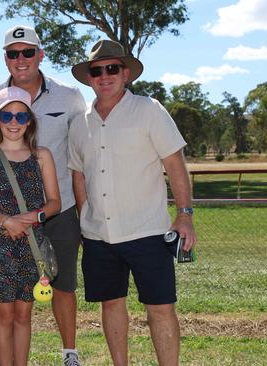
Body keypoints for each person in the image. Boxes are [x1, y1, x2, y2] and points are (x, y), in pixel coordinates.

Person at [67, 40, 198, 366]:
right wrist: (85, 219)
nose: (105, 76)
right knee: (111, 305)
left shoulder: (149, 110)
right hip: (99, 237)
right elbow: (78, 175)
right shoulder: (79, 122)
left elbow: (175, 163)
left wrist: (185, 215)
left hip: (148, 232)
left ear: (125, 73)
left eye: (112, 68)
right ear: (89, 78)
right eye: (97, 71)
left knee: (161, 308)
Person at [0, 25, 87, 366]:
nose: (20, 59)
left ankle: (69, 351)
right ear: (5, 58)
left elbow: (83, 151)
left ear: (40, 54)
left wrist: (81, 210)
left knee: (63, 284)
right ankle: (3, 354)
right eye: (13, 53)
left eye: (27, 52)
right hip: (4, 223)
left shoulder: (69, 96)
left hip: (59, 208)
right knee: (9, 304)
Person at [0, 86, 61, 366]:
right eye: (7, 116)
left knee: (24, 315)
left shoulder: (42, 156)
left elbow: (55, 202)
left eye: (21, 117)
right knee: (4, 315)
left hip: (32, 245)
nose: (14, 122)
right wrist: (6, 221)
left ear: (30, 121)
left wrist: (33, 219)